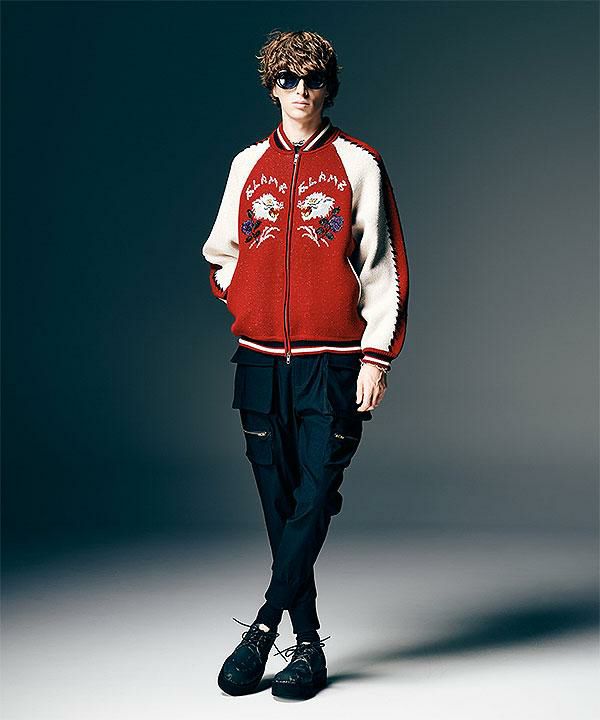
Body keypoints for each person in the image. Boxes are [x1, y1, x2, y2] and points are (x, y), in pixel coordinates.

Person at [202, 29, 409, 700]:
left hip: (334, 364)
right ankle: (309, 646)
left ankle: (265, 626)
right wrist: (245, 294)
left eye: (312, 79)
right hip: (260, 365)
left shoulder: (359, 163)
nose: (300, 91)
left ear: (328, 87)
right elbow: (221, 253)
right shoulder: (246, 164)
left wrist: (376, 358)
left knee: (314, 500)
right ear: (271, 87)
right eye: (287, 79)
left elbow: (383, 269)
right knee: (281, 505)